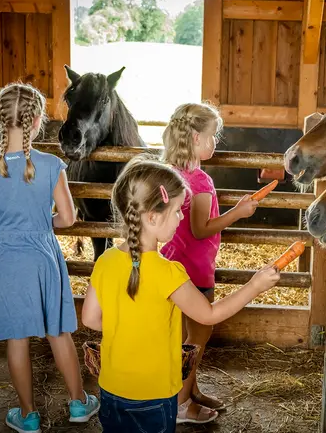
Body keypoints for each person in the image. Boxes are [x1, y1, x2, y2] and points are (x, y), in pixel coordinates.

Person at [81, 157, 280, 432]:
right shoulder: (168, 272)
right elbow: (209, 314)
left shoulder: (105, 261)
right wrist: (255, 286)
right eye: (176, 211)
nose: (182, 217)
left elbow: (90, 319)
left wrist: (127, 328)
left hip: (112, 388)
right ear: (152, 217)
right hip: (155, 393)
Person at [0, 83, 99, 433]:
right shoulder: (51, 164)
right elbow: (68, 219)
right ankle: (79, 403)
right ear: (38, 120)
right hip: (43, 255)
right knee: (58, 332)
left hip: (6, 259)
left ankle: (27, 416)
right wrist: (38, 221)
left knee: (17, 338)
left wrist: (8, 217)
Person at [159, 102, 259, 423]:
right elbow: (201, 229)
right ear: (195, 138)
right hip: (196, 269)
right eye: (212, 136)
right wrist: (237, 213)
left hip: (170, 265)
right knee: (199, 337)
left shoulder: (169, 173)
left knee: (182, 336)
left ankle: (189, 390)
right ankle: (182, 405)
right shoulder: (200, 181)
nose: (215, 142)